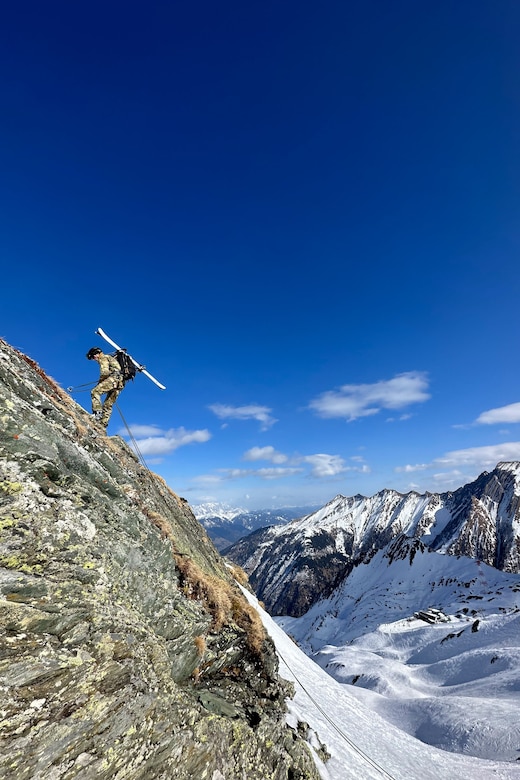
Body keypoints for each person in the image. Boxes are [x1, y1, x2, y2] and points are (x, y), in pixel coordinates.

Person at [86, 347, 124, 429]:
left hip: (112, 380)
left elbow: (105, 372)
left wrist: (100, 382)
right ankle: (103, 424)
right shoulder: (110, 358)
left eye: (93, 357)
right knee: (108, 404)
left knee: (95, 391)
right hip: (120, 384)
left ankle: (97, 413)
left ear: (97, 354)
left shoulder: (103, 357)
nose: (94, 359)